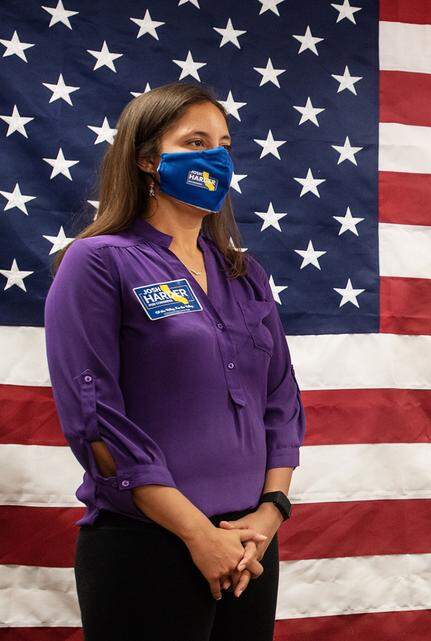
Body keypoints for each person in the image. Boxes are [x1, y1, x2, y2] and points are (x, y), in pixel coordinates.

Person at [45, 83, 305, 641]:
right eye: (195, 141)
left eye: (224, 144)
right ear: (145, 159)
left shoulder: (244, 273)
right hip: (147, 545)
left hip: (250, 546)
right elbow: (96, 421)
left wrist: (269, 513)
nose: (215, 157)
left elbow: (281, 402)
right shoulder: (98, 262)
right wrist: (196, 535)